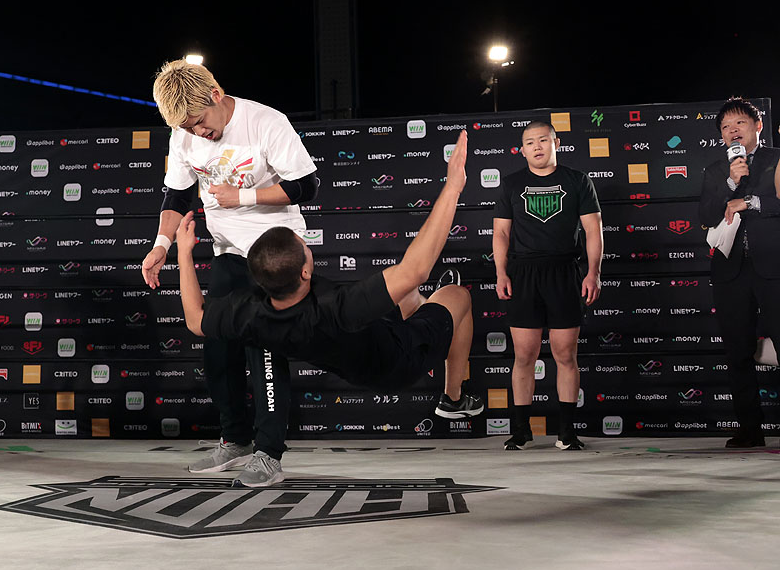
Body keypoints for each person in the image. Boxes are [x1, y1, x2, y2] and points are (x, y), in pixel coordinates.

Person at [175, 132, 481, 486]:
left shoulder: (250, 313)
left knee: (405, 292)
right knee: (456, 296)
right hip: (398, 359)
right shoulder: (334, 308)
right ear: (305, 272)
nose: (306, 243)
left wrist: (183, 252)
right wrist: (453, 187)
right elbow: (417, 268)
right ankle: (453, 397)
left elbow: (195, 319)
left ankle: (416, 305)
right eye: (303, 247)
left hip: (361, 348)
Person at [142, 59, 319, 484]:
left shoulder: (265, 122)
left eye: (199, 122)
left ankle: (269, 453)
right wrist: (161, 245)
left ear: (216, 95)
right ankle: (235, 439)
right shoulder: (183, 135)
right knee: (217, 346)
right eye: (187, 128)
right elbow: (177, 196)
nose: (197, 133)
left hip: (275, 251)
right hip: (227, 251)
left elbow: (307, 186)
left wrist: (242, 197)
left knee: (265, 348)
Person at [493, 121, 602, 450]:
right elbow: (501, 233)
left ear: (557, 143)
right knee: (524, 355)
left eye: (543, 140)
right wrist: (501, 272)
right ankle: (521, 430)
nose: (537, 146)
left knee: (565, 354)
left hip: (564, 272)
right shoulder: (511, 184)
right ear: (522, 150)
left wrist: (593, 272)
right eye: (530, 142)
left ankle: (566, 432)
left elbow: (593, 231)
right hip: (523, 273)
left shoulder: (577, 181)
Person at [699, 97, 780, 448]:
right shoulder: (716, 170)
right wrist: (731, 184)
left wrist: (750, 202)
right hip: (730, 270)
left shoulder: (776, 159)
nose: (733, 131)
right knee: (737, 351)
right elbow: (705, 216)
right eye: (726, 127)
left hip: (774, 266)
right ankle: (750, 429)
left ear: (757, 126)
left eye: (739, 124)